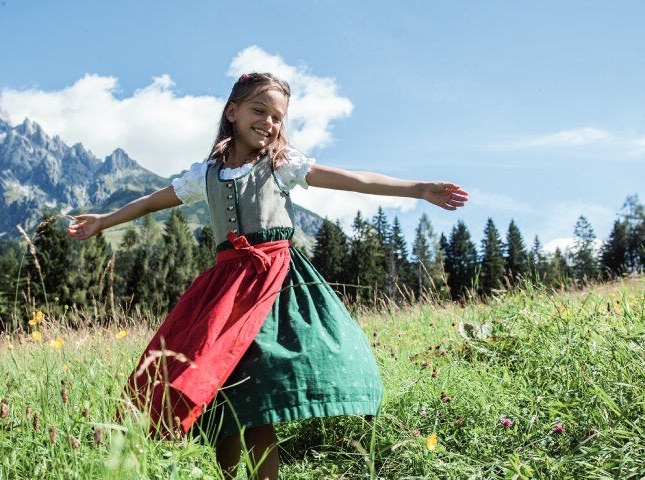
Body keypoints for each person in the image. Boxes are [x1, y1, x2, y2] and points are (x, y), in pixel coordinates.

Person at [67, 72, 468, 480]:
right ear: (232, 112)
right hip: (226, 291)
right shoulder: (206, 173)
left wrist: (419, 188)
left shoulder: (281, 164)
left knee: (258, 392)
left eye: (278, 116)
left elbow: (352, 179)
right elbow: (153, 201)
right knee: (222, 387)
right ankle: (226, 472)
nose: (269, 122)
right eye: (259, 110)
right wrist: (104, 220)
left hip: (276, 285)